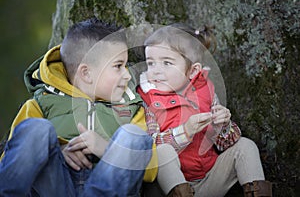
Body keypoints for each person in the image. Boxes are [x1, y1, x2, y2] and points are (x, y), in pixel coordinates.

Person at [0, 18, 157, 197]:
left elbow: (151, 168)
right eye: (118, 66)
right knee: (36, 129)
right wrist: (58, 150)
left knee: (133, 135)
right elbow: (10, 159)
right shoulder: (41, 103)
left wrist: (105, 148)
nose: (127, 75)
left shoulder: (131, 107)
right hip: (56, 186)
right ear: (86, 73)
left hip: (109, 187)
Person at [138, 23, 272, 197]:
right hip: (169, 187)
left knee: (246, 146)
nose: (156, 71)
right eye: (150, 63)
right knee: (162, 152)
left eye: (166, 63)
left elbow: (225, 143)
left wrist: (223, 124)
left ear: (193, 71)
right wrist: (184, 132)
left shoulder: (206, 91)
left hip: (210, 178)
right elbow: (150, 147)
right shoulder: (148, 100)